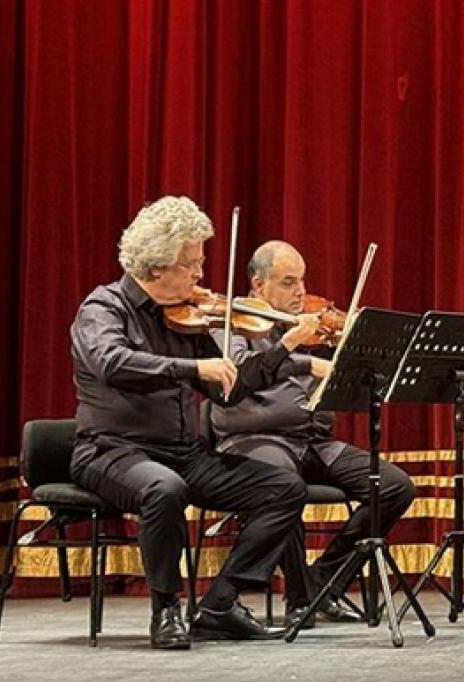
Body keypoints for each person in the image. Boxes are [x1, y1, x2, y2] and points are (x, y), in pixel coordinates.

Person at [70, 196, 326, 649]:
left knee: (284, 489)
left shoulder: (187, 319)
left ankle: (219, 604)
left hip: (181, 453)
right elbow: (114, 363)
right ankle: (166, 608)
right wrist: (191, 369)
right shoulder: (103, 309)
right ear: (156, 268)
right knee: (163, 489)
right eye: (191, 266)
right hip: (111, 450)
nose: (201, 277)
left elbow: (231, 387)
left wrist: (284, 347)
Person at [211, 240, 415, 626]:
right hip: (257, 440)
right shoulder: (229, 322)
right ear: (258, 285)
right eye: (288, 282)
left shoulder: (310, 322)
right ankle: (301, 598)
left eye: (301, 281)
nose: (301, 292)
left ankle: (324, 582)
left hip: (314, 441)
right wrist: (302, 356)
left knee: (393, 486)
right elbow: (237, 372)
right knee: (282, 484)